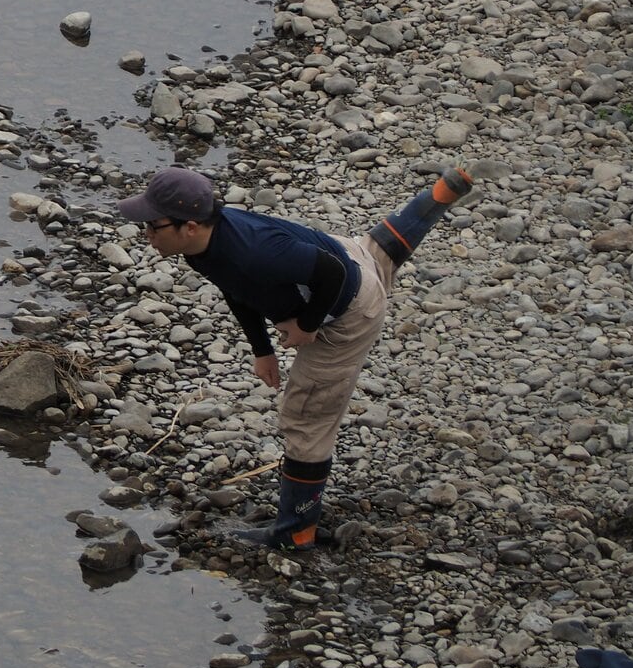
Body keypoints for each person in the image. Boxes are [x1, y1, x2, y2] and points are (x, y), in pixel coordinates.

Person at [116, 164, 473, 550]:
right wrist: (262, 350)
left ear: (189, 226)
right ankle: (439, 193)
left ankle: (296, 531)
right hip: (347, 250)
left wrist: (306, 324)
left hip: (349, 312)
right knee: (378, 251)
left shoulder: (255, 252)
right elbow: (236, 289)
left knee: (304, 417)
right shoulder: (203, 247)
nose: (147, 235)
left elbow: (331, 274)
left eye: (154, 226)